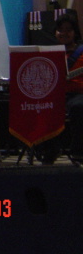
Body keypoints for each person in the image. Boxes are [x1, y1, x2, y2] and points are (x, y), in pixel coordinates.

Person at [39, 13, 83, 164]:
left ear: (75, 32)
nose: (64, 33)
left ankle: (78, 151)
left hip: (78, 94)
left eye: (68, 29)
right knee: (40, 106)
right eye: (60, 30)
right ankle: (50, 149)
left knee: (78, 106)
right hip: (55, 94)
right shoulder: (48, 53)